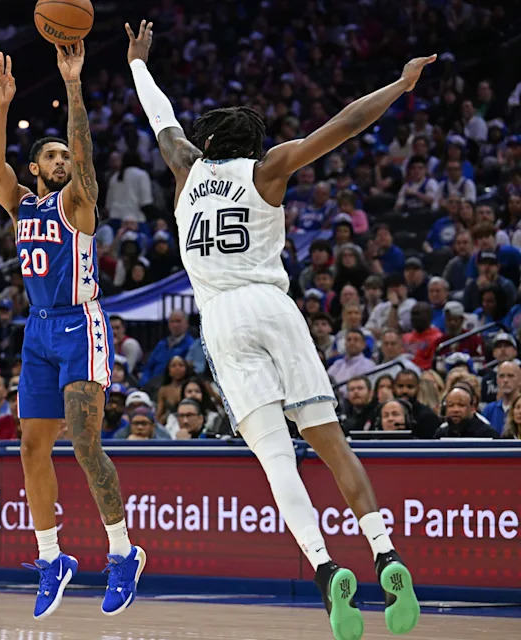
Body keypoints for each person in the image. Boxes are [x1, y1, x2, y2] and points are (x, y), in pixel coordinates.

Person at [126, 20, 425, 637]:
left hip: (224, 319)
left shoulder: (185, 171)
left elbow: (162, 120)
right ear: (250, 140)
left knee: (276, 462)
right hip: (274, 307)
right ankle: (386, 553)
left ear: (207, 140)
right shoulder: (268, 169)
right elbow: (341, 126)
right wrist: (398, 85)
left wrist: (137, 64)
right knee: (330, 442)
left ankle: (323, 571)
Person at [0, 46, 144, 619]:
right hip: (38, 332)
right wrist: (1, 106)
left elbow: (84, 153)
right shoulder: (21, 204)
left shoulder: (77, 203)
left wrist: (72, 85)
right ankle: (53, 558)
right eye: (49, 156)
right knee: (32, 447)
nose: (59, 161)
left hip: (81, 326)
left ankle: (123, 552)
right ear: (35, 167)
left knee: (83, 444)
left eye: (62, 156)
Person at [435, 386, 500, 438]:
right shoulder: (441, 434)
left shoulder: (487, 434)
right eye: (450, 405)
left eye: (461, 405)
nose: (455, 410)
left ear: (472, 408)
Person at [481, 361, 521, 435]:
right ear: (497, 380)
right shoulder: (489, 410)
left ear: (520, 380)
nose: (505, 380)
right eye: (501, 376)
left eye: (511, 376)